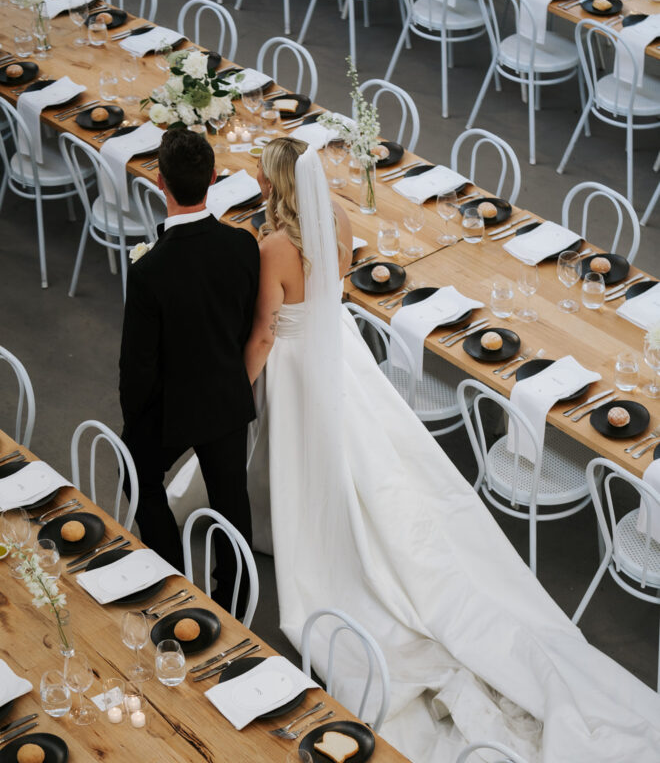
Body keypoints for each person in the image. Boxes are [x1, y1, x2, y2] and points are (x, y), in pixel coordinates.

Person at [172, 138, 660, 762]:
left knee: (308, 459)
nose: (258, 186)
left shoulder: (272, 246)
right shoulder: (339, 220)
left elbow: (267, 330)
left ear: (279, 186)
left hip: (297, 363)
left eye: (264, 180)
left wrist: (234, 391)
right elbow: (335, 290)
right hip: (339, 349)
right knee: (367, 453)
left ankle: (299, 528)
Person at [119, 129, 259, 610]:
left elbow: (137, 365)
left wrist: (134, 421)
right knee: (230, 502)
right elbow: (244, 322)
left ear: (160, 182)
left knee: (135, 471)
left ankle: (172, 581)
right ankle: (234, 602)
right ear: (214, 179)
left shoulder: (148, 272)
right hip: (225, 397)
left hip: (172, 407)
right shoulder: (243, 246)